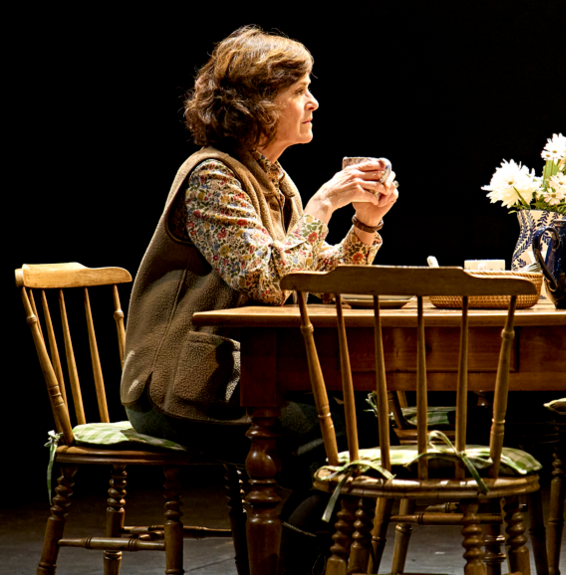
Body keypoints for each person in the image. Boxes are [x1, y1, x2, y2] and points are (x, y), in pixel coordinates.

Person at [118, 26, 398, 573]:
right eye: (298, 91)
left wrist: (365, 225)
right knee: (334, 455)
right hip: (181, 385)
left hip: (247, 378)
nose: (313, 102)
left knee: (368, 440)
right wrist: (321, 208)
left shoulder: (274, 180)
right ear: (254, 106)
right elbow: (266, 281)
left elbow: (308, 280)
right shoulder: (210, 178)